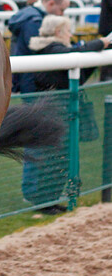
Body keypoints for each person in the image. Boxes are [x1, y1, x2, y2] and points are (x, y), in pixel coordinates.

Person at [26, 15, 111, 212]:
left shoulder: (49, 48)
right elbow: (75, 53)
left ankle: (50, 201)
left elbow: (79, 73)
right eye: (67, 31)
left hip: (56, 111)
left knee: (59, 158)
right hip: (53, 112)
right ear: (57, 32)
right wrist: (102, 42)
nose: (71, 34)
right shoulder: (52, 49)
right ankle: (45, 203)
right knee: (53, 159)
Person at [8, 0, 70, 93]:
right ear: (51, 4)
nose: (62, 14)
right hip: (30, 74)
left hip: (27, 71)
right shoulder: (34, 21)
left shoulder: (30, 15)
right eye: (62, 10)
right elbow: (37, 49)